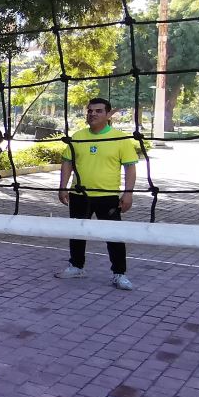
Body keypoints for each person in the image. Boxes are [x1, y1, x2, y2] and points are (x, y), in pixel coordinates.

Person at [58, 97, 140, 291]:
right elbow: (67, 162)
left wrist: (128, 193)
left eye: (98, 111)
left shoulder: (120, 139)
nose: (92, 114)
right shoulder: (77, 136)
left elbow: (130, 167)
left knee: (114, 236)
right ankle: (77, 266)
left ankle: (119, 273)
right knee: (77, 233)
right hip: (79, 195)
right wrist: (63, 187)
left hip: (107, 197)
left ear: (108, 114)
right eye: (90, 111)